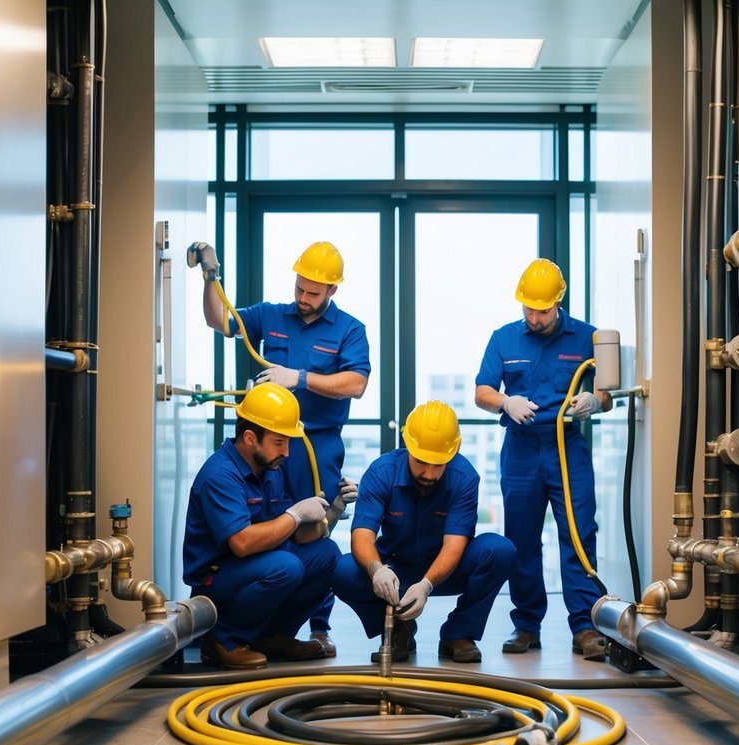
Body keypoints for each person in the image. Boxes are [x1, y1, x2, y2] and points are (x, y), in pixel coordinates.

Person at [191, 240, 370, 658]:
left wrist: (301, 378)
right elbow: (220, 320)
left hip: (315, 443)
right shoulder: (271, 315)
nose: (304, 298)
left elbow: (356, 384)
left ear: (332, 292)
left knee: (317, 533)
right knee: (272, 524)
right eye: (300, 288)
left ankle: (316, 628)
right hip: (268, 439)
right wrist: (209, 279)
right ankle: (246, 625)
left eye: (313, 292)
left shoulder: (349, 329)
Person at [474, 258, 613, 660]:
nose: (534, 317)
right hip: (520, 448)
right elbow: (482, 391)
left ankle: (585, 627)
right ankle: (526, 625)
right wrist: (506, 400)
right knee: (521, 540)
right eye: (527, 309)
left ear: (558, 302)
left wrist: (594, 402)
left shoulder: (587, 337)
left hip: (566, 446)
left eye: (542, 310)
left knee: (579, 534)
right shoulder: (504, 338)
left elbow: (605, 391)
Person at [181, 383, 352, 670]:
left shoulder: (267, 468)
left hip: (254, 566)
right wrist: (297, 513)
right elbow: (242, 543)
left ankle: (274, 637)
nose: (286, 452)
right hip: (216, 578)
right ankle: (224, 640)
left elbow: (290, 532)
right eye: (279, 442)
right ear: (250, 438)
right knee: (286, 566)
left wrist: (332, 512)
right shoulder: (221, 475)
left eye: (287, 442)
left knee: (328, 556)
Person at [332, 401, 514, 664]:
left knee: (500, 551)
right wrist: (376, 570)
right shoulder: (381, 472)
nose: (428, 473)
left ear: (453, 452)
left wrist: (427, 585)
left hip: (445, 568)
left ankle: (458, 634)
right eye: (421, 462)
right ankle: (397, 629)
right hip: (394, 570)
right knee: (342, 570)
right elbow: (362, 534)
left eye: (438, 464)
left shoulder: (464, 478)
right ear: (408, 446)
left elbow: (454, 544)